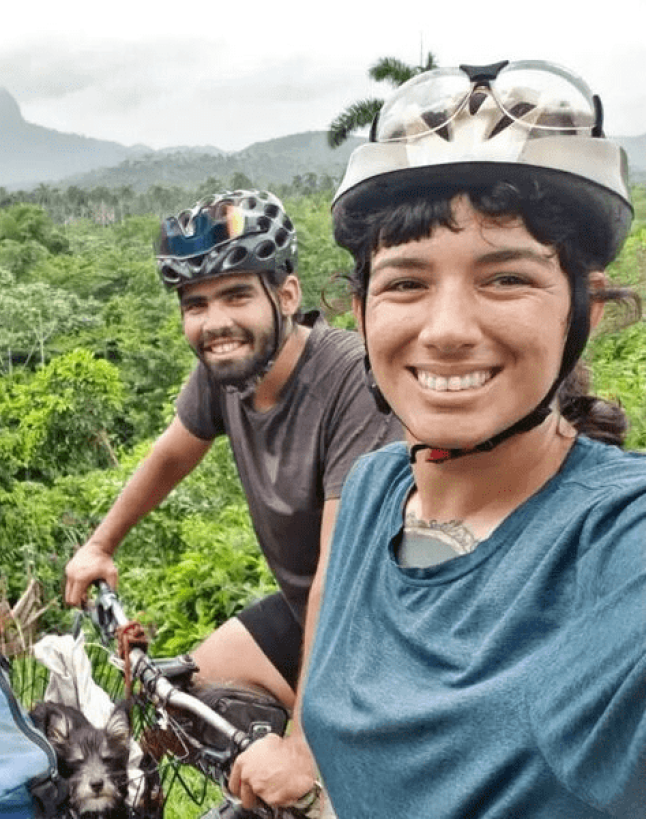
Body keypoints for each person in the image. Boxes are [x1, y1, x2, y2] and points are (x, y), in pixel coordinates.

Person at [291, 59, 645, 817]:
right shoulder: (374, 491)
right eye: (406, 282)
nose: (447, 331)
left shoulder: (620, 544)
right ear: (360, 311)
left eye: (506, 278)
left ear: (583, 308)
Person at [63, 189, 400, 719]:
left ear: (286, 295)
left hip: (381, 629)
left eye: (236, 296)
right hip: (300, 610)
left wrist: (302, 748)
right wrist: (101, 546)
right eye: (196, 305)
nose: (215, 322)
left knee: (321, 782)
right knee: (180, 714)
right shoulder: (226, 373)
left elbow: (338, 579)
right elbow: (171, 455)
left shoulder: (352, 382)